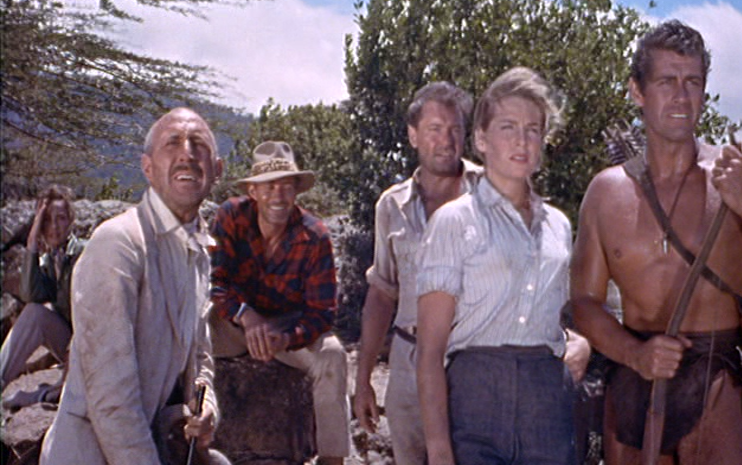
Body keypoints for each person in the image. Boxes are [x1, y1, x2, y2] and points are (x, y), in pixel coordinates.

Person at [570, 20, 742, 465]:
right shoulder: (606, 193)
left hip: (715, 383)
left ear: (705, 92)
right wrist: (636, 353)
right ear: (637, 91)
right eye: (666, 81)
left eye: (692, 82)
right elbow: (583, 303)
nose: (681, 96)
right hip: (634, 387)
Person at [416, 67, 588, 465]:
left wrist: (581, 342)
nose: (521, 141)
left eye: (533, 130)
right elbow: (429, 351)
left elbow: (568, 312)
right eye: (508, 127)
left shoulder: (559, 226)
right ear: (481, 139)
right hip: (474, 398)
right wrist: (439, 449)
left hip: (548, 405)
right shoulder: (454, 221)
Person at [40, 107, 228, 464]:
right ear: (147, 167)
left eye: (198, 144)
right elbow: (112, 400)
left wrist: (206, 408)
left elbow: (200, 357)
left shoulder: (199, 252)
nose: (187, 154)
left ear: (216, 170)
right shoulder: (119, 243)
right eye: (172, 143)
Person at [353, 82, 482, 465]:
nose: (447, 141)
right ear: (413, 136)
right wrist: (362, 379)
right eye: (435, 129)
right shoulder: (391, 206)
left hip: (472, 359)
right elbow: (381, 293)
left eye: (455, 129)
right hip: (408, 359)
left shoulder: (490, 193)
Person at [208, 141, 349, 465]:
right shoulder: (230, 216)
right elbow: (215, 282)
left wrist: (286, 337)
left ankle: (332, 459)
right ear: (253, 191)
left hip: (285, 329)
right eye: (269, 186)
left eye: (286, 186)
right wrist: (246, 316)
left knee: (332, 355)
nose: (278, 195)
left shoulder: (314, 235)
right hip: (234, 322)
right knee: (187, 337)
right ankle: (182, 432)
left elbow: (322, 313)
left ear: (296, 191)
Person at [1, 184, 83, 409]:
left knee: (36, 312)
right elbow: (30, 295)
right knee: (36, 311)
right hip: (69, 346)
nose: (54, 227)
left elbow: (93, 316)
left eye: (61, 218)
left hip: (87, 347)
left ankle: (48, 393)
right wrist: (31, 245)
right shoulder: (49, 262)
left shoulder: (83, 254)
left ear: (71, 221)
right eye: (47, 220)